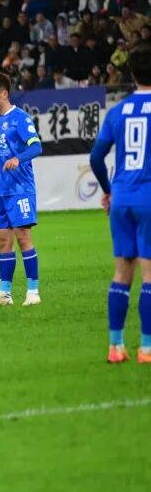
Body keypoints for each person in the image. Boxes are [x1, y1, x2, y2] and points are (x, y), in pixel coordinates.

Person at [89, 42, 151, 364]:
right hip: (148, 197)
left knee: (122, 273)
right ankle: (147, 349)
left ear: (132, 74)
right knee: (149, 275)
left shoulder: (118, 111)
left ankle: (116, 347)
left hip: (122, 197)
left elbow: (96, 157)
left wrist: (108, 190)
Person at [0, 72, 43, 307]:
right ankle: (5, 294)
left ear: (4, 93)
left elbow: (36, 147)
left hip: (20, 189)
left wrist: (17, 158)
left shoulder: (20, 118)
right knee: (3, 241)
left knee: (23, 238)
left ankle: (33, 291)